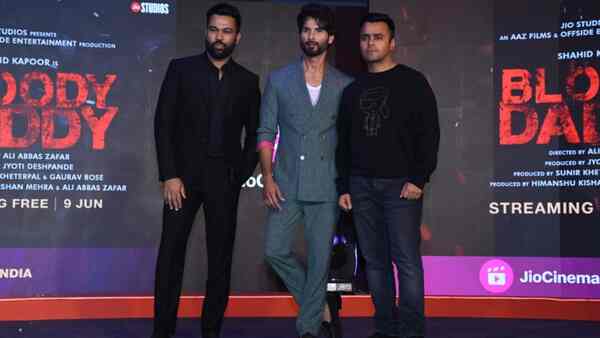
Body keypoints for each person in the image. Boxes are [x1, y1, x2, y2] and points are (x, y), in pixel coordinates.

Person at [152, 3, 260, 338]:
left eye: (227, 31)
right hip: (180, 180)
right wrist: (169, 174)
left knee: (220, 261)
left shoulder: (247, 81)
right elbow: (163, 124)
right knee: (170, 256)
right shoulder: (181, 70)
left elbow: (256, 133)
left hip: (223, 182)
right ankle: (162, 332)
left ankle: (211, 331)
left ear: (237, 37)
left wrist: (239, 175)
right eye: (214, 29)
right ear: (206, 31)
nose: (219, 37)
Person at [336, 13, 440, 338]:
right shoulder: (352, 91)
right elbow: (344, 142)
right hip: (360, 185)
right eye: (366, 37)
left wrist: (418, 179)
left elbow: (430, 134)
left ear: (392, 42)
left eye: (378, 37)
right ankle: (384, 328)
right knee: (375, 262)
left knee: (406, 261)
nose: (371, 43)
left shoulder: (413, 82)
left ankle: (410, 331)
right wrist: (344, 185)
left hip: (401, 187)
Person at [257, 3, 352, 338]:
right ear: (300, 34)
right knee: (274, 250)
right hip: (284, 182)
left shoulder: (344, 85)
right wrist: (267, 177)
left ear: (331, 38)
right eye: (307, 29)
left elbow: (348, 142)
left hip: (326, 185)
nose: (312, 36)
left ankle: (308, 328)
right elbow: (266, 132)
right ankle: (319, 306)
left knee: (320, 261)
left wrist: (346, 186)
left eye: (319, 30)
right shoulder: (280, 79)